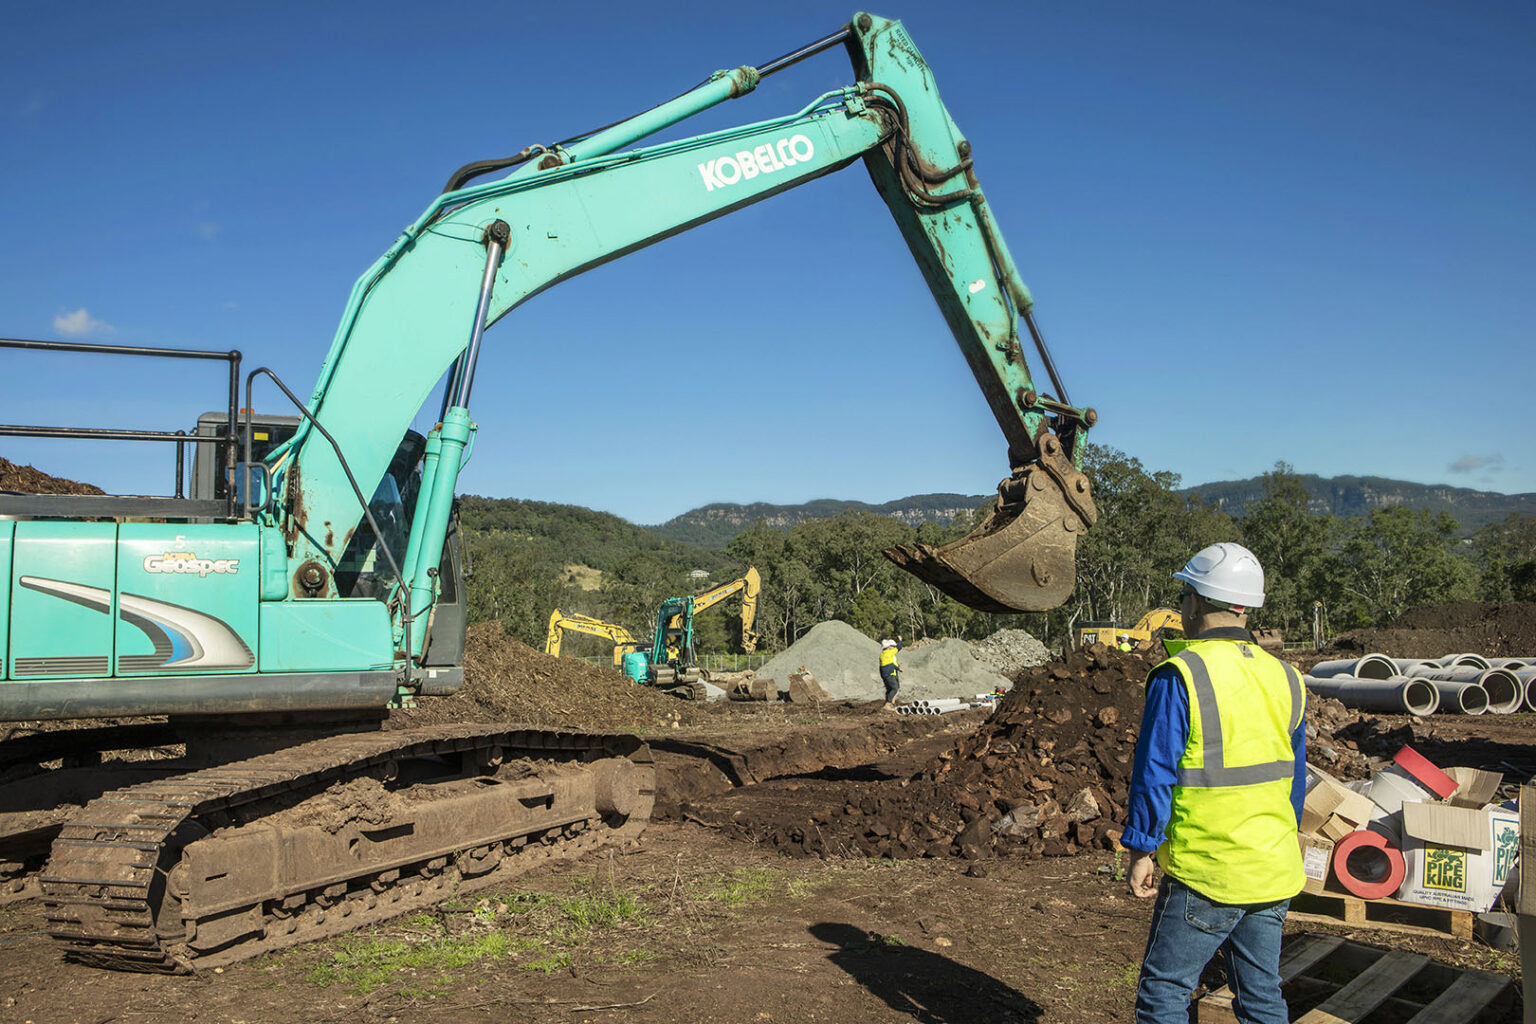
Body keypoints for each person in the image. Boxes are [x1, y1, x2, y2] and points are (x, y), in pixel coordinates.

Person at [1121, 542, 1307, 1024]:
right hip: (1272, 867)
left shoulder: (1180, 674)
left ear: (1196, 602)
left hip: (1208, 871)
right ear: (1245, 607)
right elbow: (1294, 779)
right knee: (1261, 997)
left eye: (1184, 595)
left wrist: (1142, 849)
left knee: (1164, 994)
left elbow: (1155, 773)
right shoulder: (1287, 677)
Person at [879, 638, 901, 708]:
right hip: (889, 674)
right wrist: (900, 640)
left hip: (885, 674)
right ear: (888, 647)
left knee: (889, 689)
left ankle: (887, 703)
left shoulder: (882, 654)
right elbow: (899, 647)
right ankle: (888, 703)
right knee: (895, 688)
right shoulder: (889, 653)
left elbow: (890, 664)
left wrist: (897, 668)